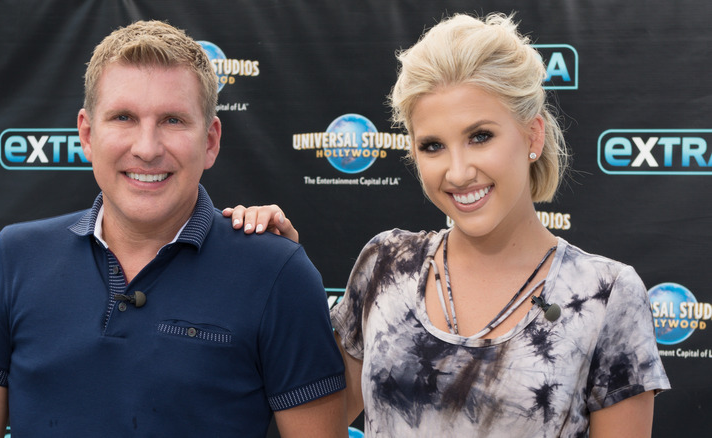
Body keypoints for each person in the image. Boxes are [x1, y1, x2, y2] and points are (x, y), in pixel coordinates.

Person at [225, 12, 670, 437]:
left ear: (533, 136)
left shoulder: (606, 294)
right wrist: (278, 272)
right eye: (433, 146)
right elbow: (317, 419)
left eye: (480, 136)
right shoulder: (386, 263)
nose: (457, 173)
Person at [0, 20, 346, 438]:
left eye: (173, 120)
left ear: (210, 141)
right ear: (86, 134)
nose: (147, 148)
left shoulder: (279, 273)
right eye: (123, 117)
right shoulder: (11, 259)